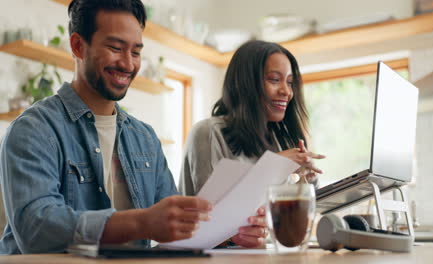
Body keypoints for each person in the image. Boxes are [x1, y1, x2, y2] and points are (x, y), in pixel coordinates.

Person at [0, 0, 265, 254]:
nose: (128, 64)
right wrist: (141, 223)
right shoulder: (34, 130)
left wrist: (228, 233)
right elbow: (36, 230)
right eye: (115, 48)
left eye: (136, 52)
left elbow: (175, 226)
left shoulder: (145, 138)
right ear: (78, 46)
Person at [180, 40, 325, 197]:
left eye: (290, 82)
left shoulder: (277, 140)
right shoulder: (208, 133)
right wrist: (272, 166)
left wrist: (308, 179)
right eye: (275, 79)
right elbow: (210, 210)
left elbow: (292, 209)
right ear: (246, 83)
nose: (286, 91)